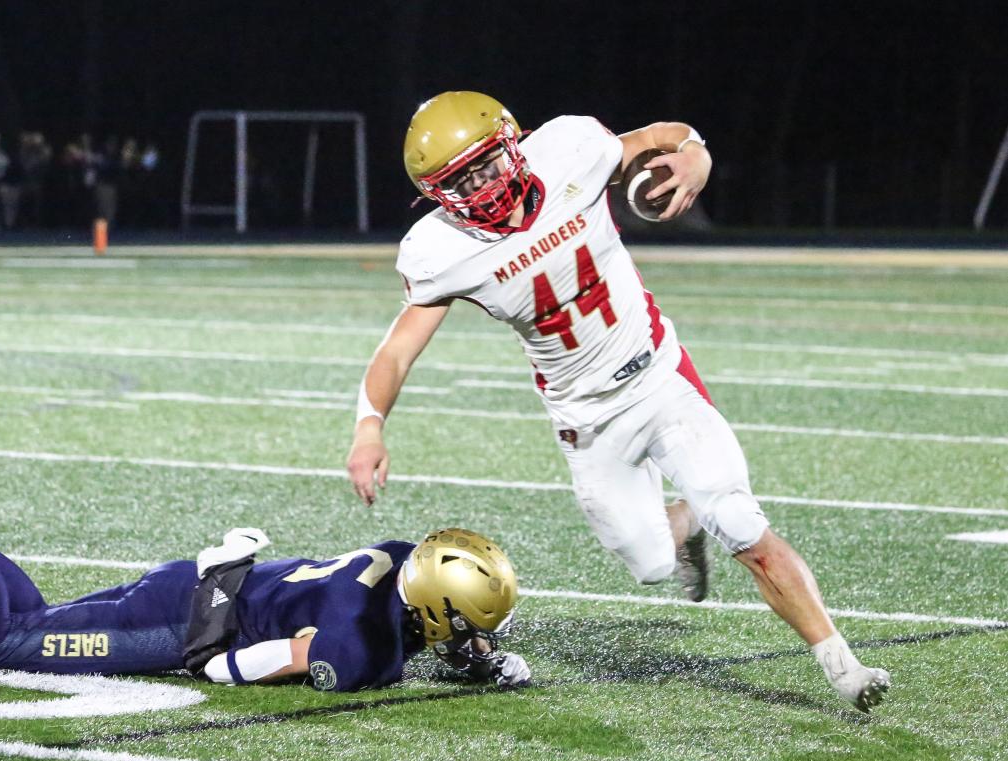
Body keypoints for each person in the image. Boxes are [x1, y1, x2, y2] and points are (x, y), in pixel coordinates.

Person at [345, 91, 890, 712]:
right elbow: (396, 350)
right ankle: (684, 523)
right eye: (459, 180)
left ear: (512, 141)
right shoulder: (438, 248)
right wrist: (369, 428)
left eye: (486, 164)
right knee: (651, 563)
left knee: (741, 521)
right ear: (436, 194)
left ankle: (843, 666)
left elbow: (663, 133)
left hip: (658, 375)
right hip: (586, 417)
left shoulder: (569, 148)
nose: (481, 186)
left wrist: (695, 153)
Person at [0, 456, 531, 692]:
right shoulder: (356, 653)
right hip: (183, 617)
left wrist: (484, 659)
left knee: (35, 620)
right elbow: (237, 665)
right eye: (469, 627)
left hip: (196, 580)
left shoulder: (399, 552)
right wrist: (205, 659)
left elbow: (404, 610)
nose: (472, 642)